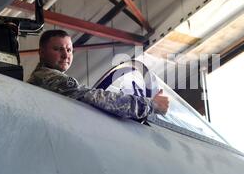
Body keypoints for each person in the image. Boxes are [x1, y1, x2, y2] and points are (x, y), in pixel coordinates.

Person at [27, 29, 169, 120]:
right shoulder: (51, 79)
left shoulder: (42, 78)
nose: (65, 55)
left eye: (69, 50)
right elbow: (97, 98)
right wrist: (151, 105)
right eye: (57, 49)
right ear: (42, 52)